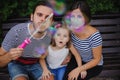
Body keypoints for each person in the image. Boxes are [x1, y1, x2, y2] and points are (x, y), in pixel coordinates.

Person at [0, 1, 54, 80]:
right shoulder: (17, 32)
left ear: (51, 23)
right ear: (32, 17)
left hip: (37, 63)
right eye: (39, 15)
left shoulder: (50, 35)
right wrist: (9, 56)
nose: (43, 19)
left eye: (47, 17)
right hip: (17, 64)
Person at [63, 0, 103, 80]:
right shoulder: (71, 29)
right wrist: (69, 55)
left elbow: (97, 59)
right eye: (73, 16)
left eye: (79, 16)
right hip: (77, 58)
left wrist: (79, 69)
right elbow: (70, 45)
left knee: (74, 78)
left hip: (93, 64)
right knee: (66, 78)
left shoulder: (94, 35)